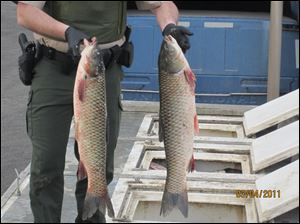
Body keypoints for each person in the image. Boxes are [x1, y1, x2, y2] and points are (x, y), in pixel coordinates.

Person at [16, 1, 192, 223]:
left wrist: (168, 26)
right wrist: (67, 32)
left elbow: (161, 4)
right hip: (54, 67)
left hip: (105, 69)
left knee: (99, 165)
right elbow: (25, 12)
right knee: (46, 166)